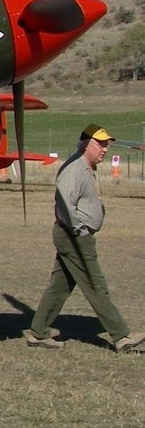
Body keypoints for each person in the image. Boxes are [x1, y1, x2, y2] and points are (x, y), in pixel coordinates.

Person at [24, 125, 144, 352]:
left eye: (106, 144)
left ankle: (38, 333)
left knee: (59, 288)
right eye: (99, 144)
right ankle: (122, 337)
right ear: (85, 144)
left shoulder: (86, 168)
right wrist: (79, 231)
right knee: (96, 285)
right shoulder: (74, 170)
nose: (104, 149)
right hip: (74, 237)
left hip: (74, 235)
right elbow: (65, 204)